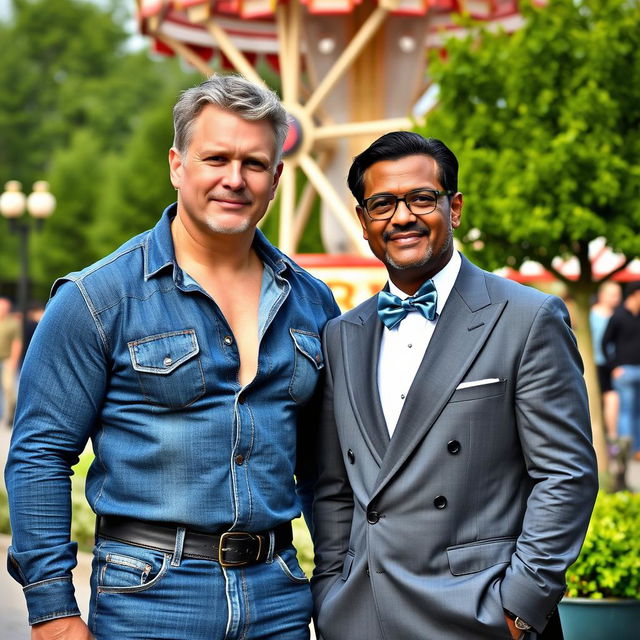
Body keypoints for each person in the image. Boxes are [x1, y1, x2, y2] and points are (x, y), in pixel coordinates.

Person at [6, 74, 339, 640]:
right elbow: (39, 453)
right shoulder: (97, 298)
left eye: (255, 164)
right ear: (177, 164)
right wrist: (54, 614)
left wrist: (338, 583)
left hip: (279, 598)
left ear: (278, 177)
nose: (235, 179)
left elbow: (324, 471)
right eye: (216, 158)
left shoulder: (311, 302)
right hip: (151, 599)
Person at [311, 132, 598, 640]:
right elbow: (334, 487)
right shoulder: (341, 334)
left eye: (422, 198)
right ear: (363, 222)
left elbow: (565, 474)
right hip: (363, 615)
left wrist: (519, 609)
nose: (402, 217)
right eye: (382, 204)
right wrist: (331, 591)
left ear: (455, 208)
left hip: (478, 617)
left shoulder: (527, 317)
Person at [602, 281, 640, 461]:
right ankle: (627, 450)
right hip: (624, 372)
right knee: (626, 411)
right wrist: (614, 367)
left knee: (637, 411)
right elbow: (604, 343)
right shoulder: (617, 316)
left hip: (637, 369)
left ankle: (637, 449)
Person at [0, 296, 22, 428]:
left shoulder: (13, 323)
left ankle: (9, 416)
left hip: (7, 359)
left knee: (8, 387)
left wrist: (14, 360)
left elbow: (17, 342)